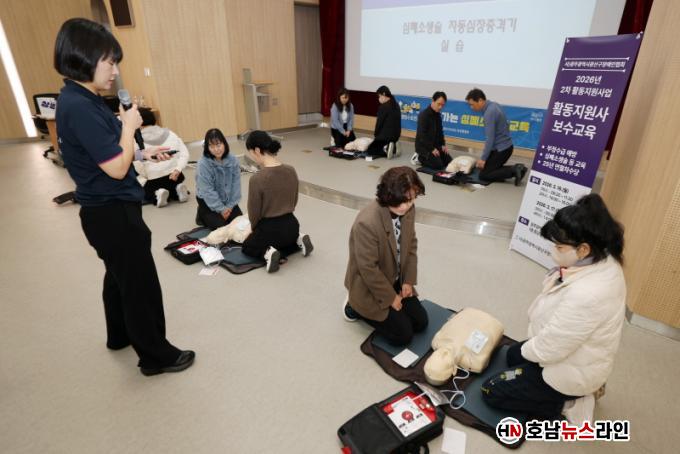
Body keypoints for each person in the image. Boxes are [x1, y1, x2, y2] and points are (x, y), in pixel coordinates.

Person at [53, 18, 194, 376]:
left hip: (105, 209)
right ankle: (156, 356)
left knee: (119, 276)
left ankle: (119, 335)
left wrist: (143, 153)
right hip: (112, 210)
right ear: (84, 58)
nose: (115, 71)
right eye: (109, 61)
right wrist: (130, 127)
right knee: (139, 284)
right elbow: (116, 167)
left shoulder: (81, 98)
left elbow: (105, 152)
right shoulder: (80, 106)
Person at [481, 194, 626, 423]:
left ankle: (569, 402)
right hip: (568, 350)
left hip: (570, 371)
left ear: (583, 249)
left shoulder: (588, 294)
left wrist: (531, 350)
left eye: (559, 246)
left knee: (490, 390)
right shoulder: (602, 259)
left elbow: (550, 349)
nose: (553, 251)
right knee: (511, 355)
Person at [343, 166, 429, 346]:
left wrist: (408, 281)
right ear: (387, 196)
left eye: (411, 199)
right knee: (403, 335)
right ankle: (354, 306)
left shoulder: (408, 210)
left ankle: (388, 300)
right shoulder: (367, 223)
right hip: (369, 284)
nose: (406, 206)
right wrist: (391, 298)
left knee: (421, 323)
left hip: (394, 276)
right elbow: (368, 269)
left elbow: (411, 245)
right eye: (401, 201)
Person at [242, 130, 313, 273]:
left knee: (247, 246)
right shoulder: (291, 170)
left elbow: (254, 212)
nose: (252, 157)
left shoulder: (257, 179)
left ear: (257, 150)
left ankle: (267, 253)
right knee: (283, 241)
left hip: (270, 229)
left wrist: (254, 230)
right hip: (292, 225)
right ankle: (298, 240)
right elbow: (294, 201)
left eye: (251, 153)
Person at [465, 88, 527, 185]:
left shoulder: (489, 113)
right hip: (504, 147)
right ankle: (512, 170)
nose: (471, 107)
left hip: (502, 150)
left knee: (484, 175)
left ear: (480, 100)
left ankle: (515, 169)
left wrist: (483, 159)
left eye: (472, 104)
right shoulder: (494, 105)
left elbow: (490, 139)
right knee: (485, 168)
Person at [133, 109, 190, 207]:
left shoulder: (136, 140)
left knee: (147, 191)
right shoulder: (170, 133)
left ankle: (157, 194)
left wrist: (144, 178)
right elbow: (184, 153)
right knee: (172, 185)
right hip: (175, 176)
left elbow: (137, 164)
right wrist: (178, 169)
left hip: (154, 180)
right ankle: (177, 190)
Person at [195, 128, 242, 229]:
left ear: (224, 143)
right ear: (207, 148)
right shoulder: (203, 164)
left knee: (240, 225)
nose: (216, 149)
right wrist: (221, 209)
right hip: (207, 200)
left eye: (218, 145)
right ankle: (201, 214)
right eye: (211, 146)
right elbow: (207, 191)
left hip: (227, 199)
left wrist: (230, 206)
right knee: (222, 228)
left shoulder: (233, 160)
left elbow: (236, 185)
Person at [415, 91, 452, 170]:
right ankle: (419, 157)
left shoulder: (438, 115)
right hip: (424, 148)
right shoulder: (424, 115)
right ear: (433, 101)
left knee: (449, 162)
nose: (440, 107)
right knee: (438, 165)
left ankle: (436, 157)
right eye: (439, 104)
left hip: (436, 146)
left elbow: (440, 132)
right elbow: (422, 136)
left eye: (442, 105)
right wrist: (431, 149)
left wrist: (443, 145)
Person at [366, 85, 401, 158]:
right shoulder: (396, 105)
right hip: (396, 135)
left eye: (379, 96)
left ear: (384, 94)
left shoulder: (383, 107)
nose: (379, 99)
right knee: (382, 142)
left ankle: (386, 150)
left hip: (386, 136)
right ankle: (393, 145)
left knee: (370, 150)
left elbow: (379, 123)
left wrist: (376, 134)